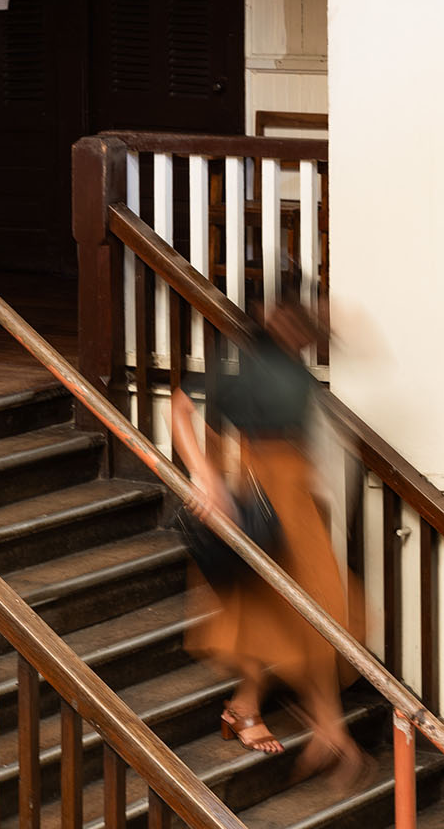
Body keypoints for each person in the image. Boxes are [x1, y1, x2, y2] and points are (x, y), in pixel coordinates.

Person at [168, 299, 367, 784]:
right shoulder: (242, 360)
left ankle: (302, 720)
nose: (315, 336)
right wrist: (205, 477)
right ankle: (261, 712)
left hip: (297, 496)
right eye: (309, 326)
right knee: (272, 607)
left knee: (314, 605)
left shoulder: (295, 370)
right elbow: (180, 407)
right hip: (262, 493)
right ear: (278, 320)